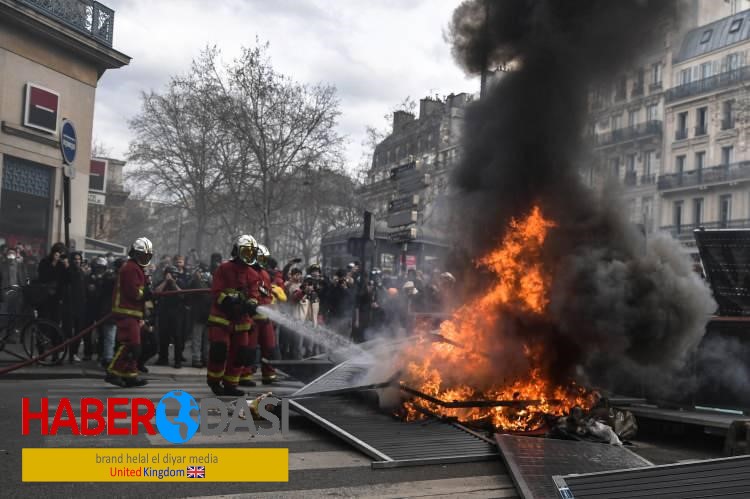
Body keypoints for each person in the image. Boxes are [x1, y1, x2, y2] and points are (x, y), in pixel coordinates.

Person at [206, 235, 260, 396]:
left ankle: (231, 384)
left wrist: (251, 303)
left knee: (240, 352)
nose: (248, 256)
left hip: (242, 320)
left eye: (252, 253)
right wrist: (228, 300)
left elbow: (254, 294)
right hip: (221, 318)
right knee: (219, 350)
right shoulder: (224, 268)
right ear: (237, 251)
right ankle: (214, 382)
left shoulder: (253, 274)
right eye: (245, 252)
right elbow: (216, 292)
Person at [105, 237, 153, 387]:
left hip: (133, 312)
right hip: (126, 311)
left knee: (134, 346)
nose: (145, 258)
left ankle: (130, 375)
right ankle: (113, 372)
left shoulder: (136, 268)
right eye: (143, 255)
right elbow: (133, 291)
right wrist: (146, 293)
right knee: (131, 345)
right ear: (136, 254)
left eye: (147, 256)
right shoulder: (130, 268)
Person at [37, 242, 68, 325]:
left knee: (56, 320)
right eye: (59, 252)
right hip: (45, 296)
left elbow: (66, 280)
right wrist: (53, 263)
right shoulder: (45, 261)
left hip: (58, 297)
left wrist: (67, 266)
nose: (60, 255)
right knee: (45, 319)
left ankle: (54, 337)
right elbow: (43, 277)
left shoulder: (62, 265)